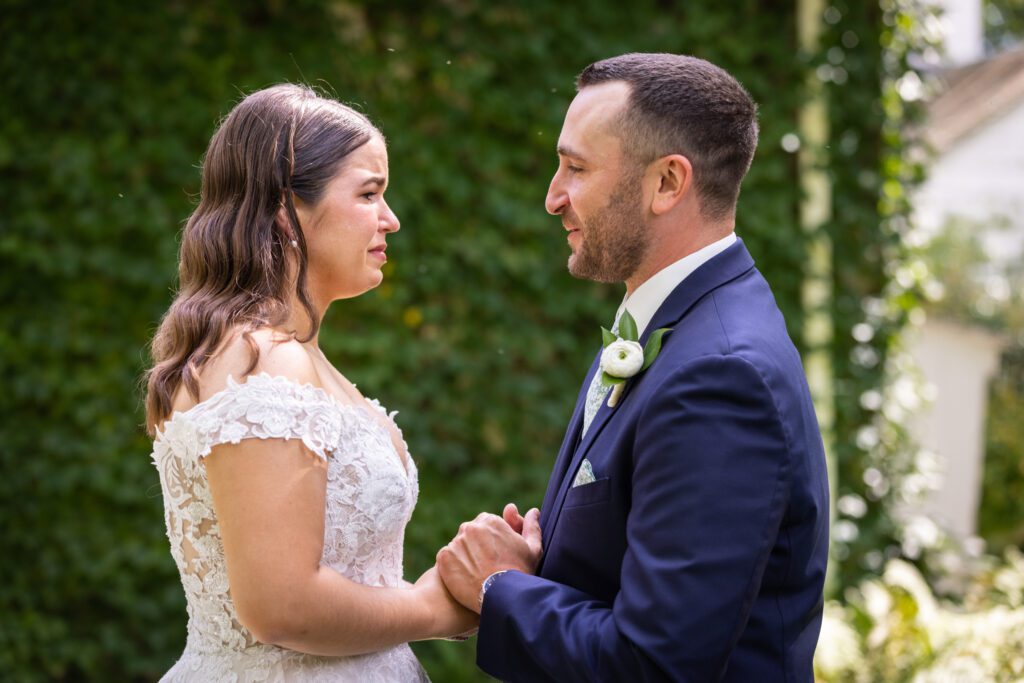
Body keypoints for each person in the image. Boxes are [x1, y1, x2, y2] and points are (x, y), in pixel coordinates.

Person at [436, 53, 830, 681]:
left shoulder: (723, 375)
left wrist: (501, 587)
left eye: (576, 168)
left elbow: (653, 664)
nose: (552, 197)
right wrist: (546, 567)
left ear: (668, 183)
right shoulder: (671, 324)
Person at [145, 84, 476, 682]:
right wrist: (432, 608)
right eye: (369, 193)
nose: (391, 219)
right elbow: (283, 607)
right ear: (285, 210)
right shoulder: (263, 360)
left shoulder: (286, 353)